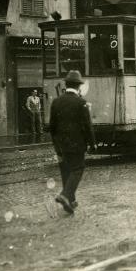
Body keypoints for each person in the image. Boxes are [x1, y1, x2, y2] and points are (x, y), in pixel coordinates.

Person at [49, 70, 96, 214]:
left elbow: (52, 127)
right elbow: (87, 126)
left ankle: (70, 201)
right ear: (78, 86)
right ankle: (64, 195)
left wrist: (57, 145)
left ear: (66, 84)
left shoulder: (56, 102)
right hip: (77, 144)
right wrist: (92, 143)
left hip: (61, 144)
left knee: (66, 170)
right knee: (77, 169)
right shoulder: (81, 103)